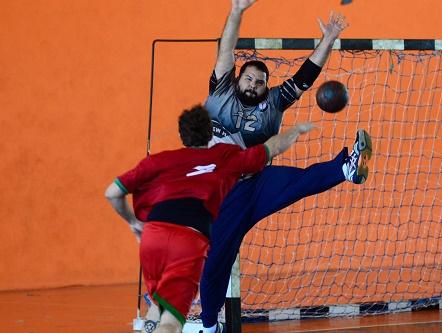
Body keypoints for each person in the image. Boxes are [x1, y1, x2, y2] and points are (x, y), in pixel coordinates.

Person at [198, 1, 372, 333]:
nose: (252, 84)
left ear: (266, 86)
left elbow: (305, 77)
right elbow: (226, 49)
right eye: (248, 78)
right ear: (237, 80)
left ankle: (346, 169)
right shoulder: (220, 93)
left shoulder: (274, 104)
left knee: (297, 180)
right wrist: (237, 11)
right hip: (221, 195)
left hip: (257, 184)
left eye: (259, 81)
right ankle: (209, 326)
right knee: (217, 262)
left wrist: (329, 38)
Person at [105, 104, 314, 333]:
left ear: (181, 135)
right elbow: (270, 148)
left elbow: (113, 193)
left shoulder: (158, 161)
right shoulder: (224, 156)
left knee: (158, 309)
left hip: (153, 236)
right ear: (210, 133)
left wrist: (134, 224)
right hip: (188, 238)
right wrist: (297, 130)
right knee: (171, 324)